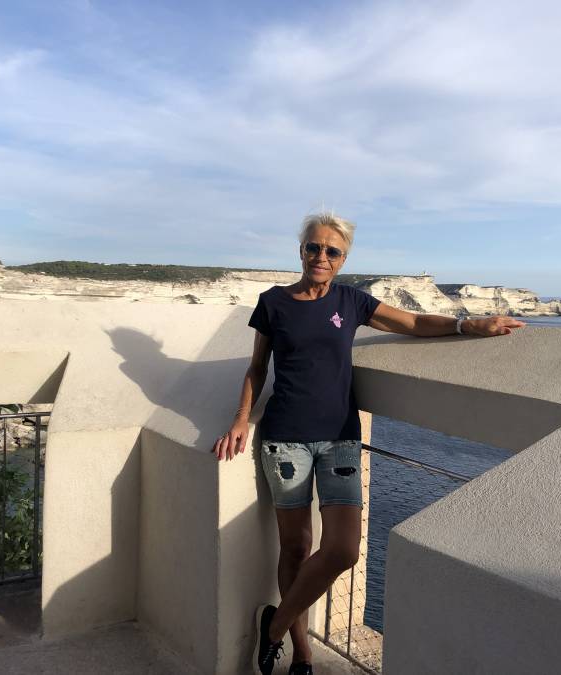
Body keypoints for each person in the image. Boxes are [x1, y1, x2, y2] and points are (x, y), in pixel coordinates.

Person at [212, 212, 525, 675]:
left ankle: (274, 626)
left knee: (343, 549)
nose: (321, 256)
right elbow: (258, 368)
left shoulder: (352, 301)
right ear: (301, 251)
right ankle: (301, 654)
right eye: (313, 247)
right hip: (285, 441)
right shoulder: (273, 302)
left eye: (332, 251)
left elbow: (413, 322)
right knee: (295, 547)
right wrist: (241, 418)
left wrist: (468, 326)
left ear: (343, 259)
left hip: (340, 439)